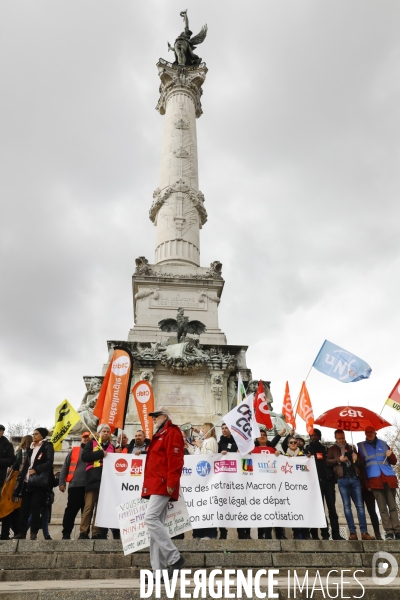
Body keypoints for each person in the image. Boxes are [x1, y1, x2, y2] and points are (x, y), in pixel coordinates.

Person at [142, 406, 185, 579]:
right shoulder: (161, 433)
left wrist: (172, 482)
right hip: (156, 483)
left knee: (150, 518)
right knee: (155, 528)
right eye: (152, 417)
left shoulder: (171, 432)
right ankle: (158, 571)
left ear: (165, 416)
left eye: (156, 416)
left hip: (163, 483)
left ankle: (175, 558)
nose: (153, 419)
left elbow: (175, 458)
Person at [326, 429, 374, 541]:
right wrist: (339, 459)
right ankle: (352, 532)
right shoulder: (332, 449)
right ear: (335, 438)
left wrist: (356, 459)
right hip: (342, 479)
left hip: (355, 478)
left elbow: (361, 464)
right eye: (339, 438)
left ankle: (364, 532)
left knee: (360, 506)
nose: (341, 440)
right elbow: (328, 462)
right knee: (347, 506)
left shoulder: (352, 447)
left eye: (342, 437)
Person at [358, 426, 400, 540]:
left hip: (388, 478)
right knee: (382, 508)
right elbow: (362, 467)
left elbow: (394, 461)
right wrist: (366, 484)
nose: (369, 434)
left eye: (371, 432)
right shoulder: (361, 446)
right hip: (374, 480)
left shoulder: (384, 444)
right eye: (367, 432)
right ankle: (389, 532)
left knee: (392, 506)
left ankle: (397, 530)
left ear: (375, 432)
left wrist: (390, 454)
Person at [14, 428, 54, 540]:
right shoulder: (31, 448)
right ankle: (21, 532)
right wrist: (21, 477)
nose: (34, 436)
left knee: (35, 508)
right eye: (33, 434)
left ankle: (33, 533)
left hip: (39, 483)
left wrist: (36, 469)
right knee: (24, 508)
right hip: (27, 482)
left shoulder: (47, 446)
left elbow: (49, 462)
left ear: (42, 436)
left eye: (36, 434)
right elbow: (27, 465)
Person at [305, 428, 344, 541]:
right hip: (316, 483)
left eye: (316, 435)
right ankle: (324, 534)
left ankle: (336, 534)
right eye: (312, 435)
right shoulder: (308, 449)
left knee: (332, 509)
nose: (314, 437)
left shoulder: (326, 449)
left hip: (328, 481)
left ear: (319, 437)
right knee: (319, 509)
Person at [80, 424, 115, 540]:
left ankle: (96, 532)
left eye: (107, 431)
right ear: (99, 433)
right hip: (93, 479)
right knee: (88, 507)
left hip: (106, 481)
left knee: (100, 509)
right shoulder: (91, 443)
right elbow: (85, 456)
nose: (106, 433)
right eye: (104, 431)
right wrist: (100, 454)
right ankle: (83, 532)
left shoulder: (111, 446)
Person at [188, 423, 219, 539]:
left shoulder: (211, 440)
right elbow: (196, 456)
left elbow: (210, 456)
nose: (201, 431)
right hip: (198, 480)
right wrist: (189, 446)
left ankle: (209, 533)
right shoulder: (204, 441)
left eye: (203, 428)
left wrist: (201, 445)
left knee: (208, 506)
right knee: (198, 507)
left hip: (207, 479)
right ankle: (198, 533)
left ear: (209, 430)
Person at [276, 436, 310, 540]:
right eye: (291, 442)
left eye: (295, 442)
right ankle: (296, 532)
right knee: (293, 510)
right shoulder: (283, 456)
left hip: (302, 488)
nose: (294, 444)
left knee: (304, 509)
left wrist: (309, 458)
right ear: (287, 444)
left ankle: (306, 532)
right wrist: (276, 455)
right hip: (289, 488)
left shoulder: (304, 456)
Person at [59, 431, 91, 539]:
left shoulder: (95, 451)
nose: (86, 439)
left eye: (88, 437)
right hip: (75, 485)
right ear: (81, 439)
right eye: (84, 437)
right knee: (71, 510)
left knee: (86, 511)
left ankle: (84, 533)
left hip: (89, 486)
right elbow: (65, 467)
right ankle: (66, 533)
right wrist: (62, 482)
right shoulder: (75, 451)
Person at [0, 435, 32, 540]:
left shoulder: (21, 452)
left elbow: (16, 465)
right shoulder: (32, 452)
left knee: (7, 508)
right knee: (17, 510)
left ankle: (5, 534)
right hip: (26, 484)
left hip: (14, 483)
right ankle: (18, 532)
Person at [0, 425, 16, 539]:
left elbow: (11, 460)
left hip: (2, 481)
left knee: (4, 507)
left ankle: (5, 534)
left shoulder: (8, 445)